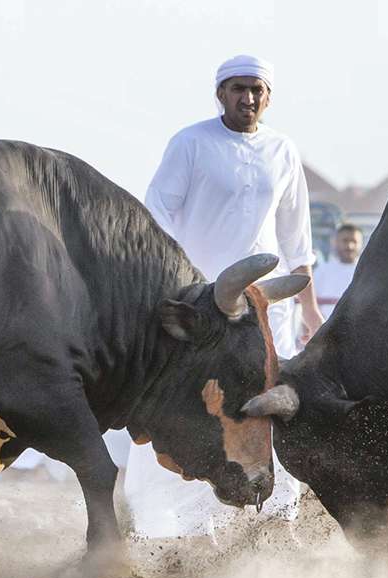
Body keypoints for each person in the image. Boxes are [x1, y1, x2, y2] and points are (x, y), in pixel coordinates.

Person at [123, 54, 324, 540]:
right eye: (238, 88)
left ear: (268, 96)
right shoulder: (190, 144)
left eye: (256, 89)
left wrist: (310, 308)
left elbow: (296, 240)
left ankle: (277, 522)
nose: (247, 98)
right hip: (201, 317)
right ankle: (182, 531)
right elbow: (157, 220)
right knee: (191, 412)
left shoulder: (283, 150)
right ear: (220, 93)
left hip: (264, 316)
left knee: (269, 411)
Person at [313, 223, 363, 319]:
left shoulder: (366, 272)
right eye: (345, 241)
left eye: (354, 241)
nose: (349, 246)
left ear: (361, 244)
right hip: (326, 329)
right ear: (335, 242)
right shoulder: (322, 271)